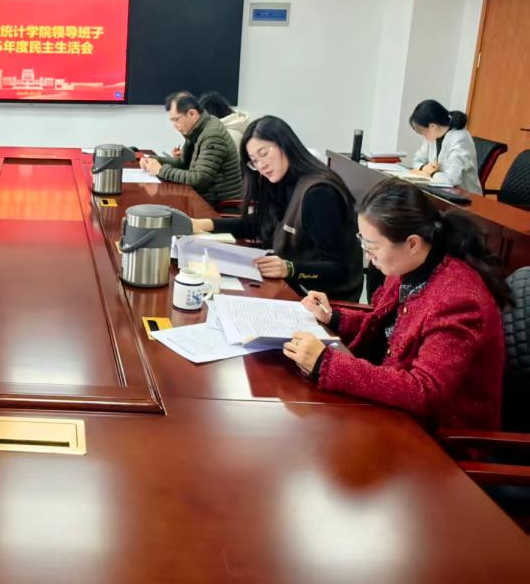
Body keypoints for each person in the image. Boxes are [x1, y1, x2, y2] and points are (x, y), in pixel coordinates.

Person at [286, 178, 507, 430]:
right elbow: (389, 326)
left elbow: (425, 391)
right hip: (397, 414)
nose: (367, 255)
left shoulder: (458, 299)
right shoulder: (408, 266)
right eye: (363, 242)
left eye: (372, 246)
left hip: (439, 437)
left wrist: (326, 363)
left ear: (412, 243)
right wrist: (333, 318)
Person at [189, 115, 364, 300]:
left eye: (264, 154)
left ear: (285, 145)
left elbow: (339, 268)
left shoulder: (319, 194)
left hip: (322, 299)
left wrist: (289, 268)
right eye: (254, 161)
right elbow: (262, 224)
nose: (261, 165)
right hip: (291, 285)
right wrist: (204, 224)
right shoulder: (280, 181)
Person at [139, 91, 242, 207]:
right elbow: (184, 163)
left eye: (176, 120)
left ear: (192, 114)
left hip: (218, 206)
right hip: (202, 199)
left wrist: (161, 170)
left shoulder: (212, 135)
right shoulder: (198, 129)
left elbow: (199, 179)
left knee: (158, 206)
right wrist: (154, 160)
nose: (174, 126)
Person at [409, 100, 481, 194]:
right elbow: (416, 160)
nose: (423, 136)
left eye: (423, 132)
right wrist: (424, 167)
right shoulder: (432, 137)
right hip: (440, 191)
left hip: (464, 196)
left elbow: (451, 180)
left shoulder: (460, 139)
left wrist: (431, 173)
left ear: (433, 126)